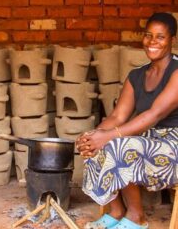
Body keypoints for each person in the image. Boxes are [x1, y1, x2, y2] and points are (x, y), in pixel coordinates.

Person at [76, 12, 178, 229]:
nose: (152, 42)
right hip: (148, 140)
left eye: (160, 37)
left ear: (172, 40)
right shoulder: (137, 75)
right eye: (148, 35)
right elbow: (117, 116)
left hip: (173, 145)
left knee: (120, 145)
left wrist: (109, 136)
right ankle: (116, 211)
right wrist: (93, 136)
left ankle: (137, 217)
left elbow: (155, 114)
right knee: (95, 145)